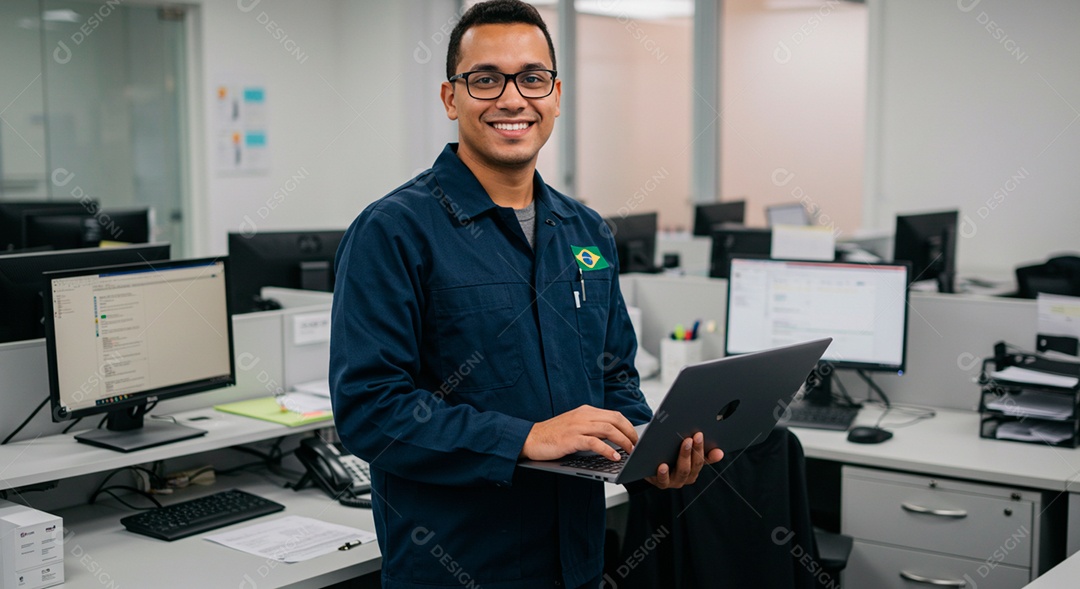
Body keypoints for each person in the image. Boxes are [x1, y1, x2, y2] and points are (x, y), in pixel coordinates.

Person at [329, 2, 723, 587]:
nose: (513, 99)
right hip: (460, 569)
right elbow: (370, 411)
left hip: (576, 562)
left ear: (556, 96)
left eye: (532, 79)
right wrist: (525, 439)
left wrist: (645, 451)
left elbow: (614, 377)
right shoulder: (393, 232)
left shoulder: (587, 231)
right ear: (450, 98)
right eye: (486, 79)